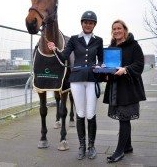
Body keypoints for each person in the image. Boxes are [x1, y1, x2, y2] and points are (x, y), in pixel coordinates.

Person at [47, 10, 103, 160]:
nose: (88, 25)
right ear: (82, 23)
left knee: (91, 114)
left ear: (94, 25)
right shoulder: (73, 39)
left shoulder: (99, 40)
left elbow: (101, 60)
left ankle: (91, 146)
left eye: (91, 23)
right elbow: (64, 56)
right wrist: (55, 50)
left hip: (91, 80)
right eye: (86, 22)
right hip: (76, 80)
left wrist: (100, 66)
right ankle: (82, 146)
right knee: (80, 114)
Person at [103, 19, 146, 163]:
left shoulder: (134, 45)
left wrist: (126, 69)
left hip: (129, 88)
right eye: (114, 29)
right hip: (116, 88)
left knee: (124, 118)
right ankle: (127, 146)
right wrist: (105, 67)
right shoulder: (111, 47)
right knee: (124, 117)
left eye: (119, 28)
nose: (116, 31)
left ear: (125, 30)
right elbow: (110, 67)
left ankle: (119, 151)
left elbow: (139, 65)